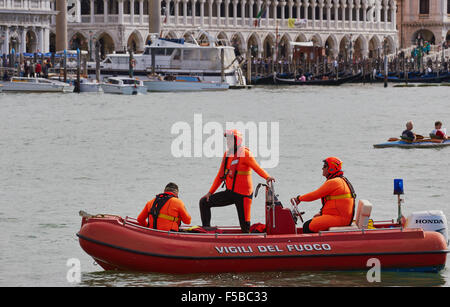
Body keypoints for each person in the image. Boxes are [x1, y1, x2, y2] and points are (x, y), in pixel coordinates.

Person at [199, 129, 275, 233]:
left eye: (230, 139)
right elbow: (220, 176)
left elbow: (257, 168)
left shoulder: (245, 154)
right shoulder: (227, 155)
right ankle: (206, 231)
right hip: (230, 193)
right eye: (227, 140)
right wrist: (210, 192)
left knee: (245, 228)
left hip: (243, 195)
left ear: (237, 140)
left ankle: (249, 240)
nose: (228, 142)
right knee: (204, 202)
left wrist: (267, 177)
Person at [291, 157, 356, 233]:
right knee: (310, 222)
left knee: (308, 226)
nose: (322, 168)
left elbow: (315, 195)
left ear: (331, 168)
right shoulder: (339, 180)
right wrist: (321, 213)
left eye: (325, 166)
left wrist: (299, 198)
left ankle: (313, 244)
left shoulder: (334, 182)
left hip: (339, 219)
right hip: (339, 217)